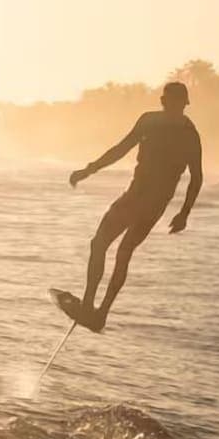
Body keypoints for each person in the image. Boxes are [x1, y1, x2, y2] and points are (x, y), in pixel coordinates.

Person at [67, 81, 202, 332]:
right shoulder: (186, 131)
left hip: (136, 199)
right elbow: (122, 149)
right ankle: (101, 313)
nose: (174, 107)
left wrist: (185, 212)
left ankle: (90, 307)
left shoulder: (161, 125)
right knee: (123, 252)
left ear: (168, 102)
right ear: (178, 103)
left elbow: (196, 176)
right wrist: (183, 213)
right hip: (156, 205)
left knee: (100, 244)